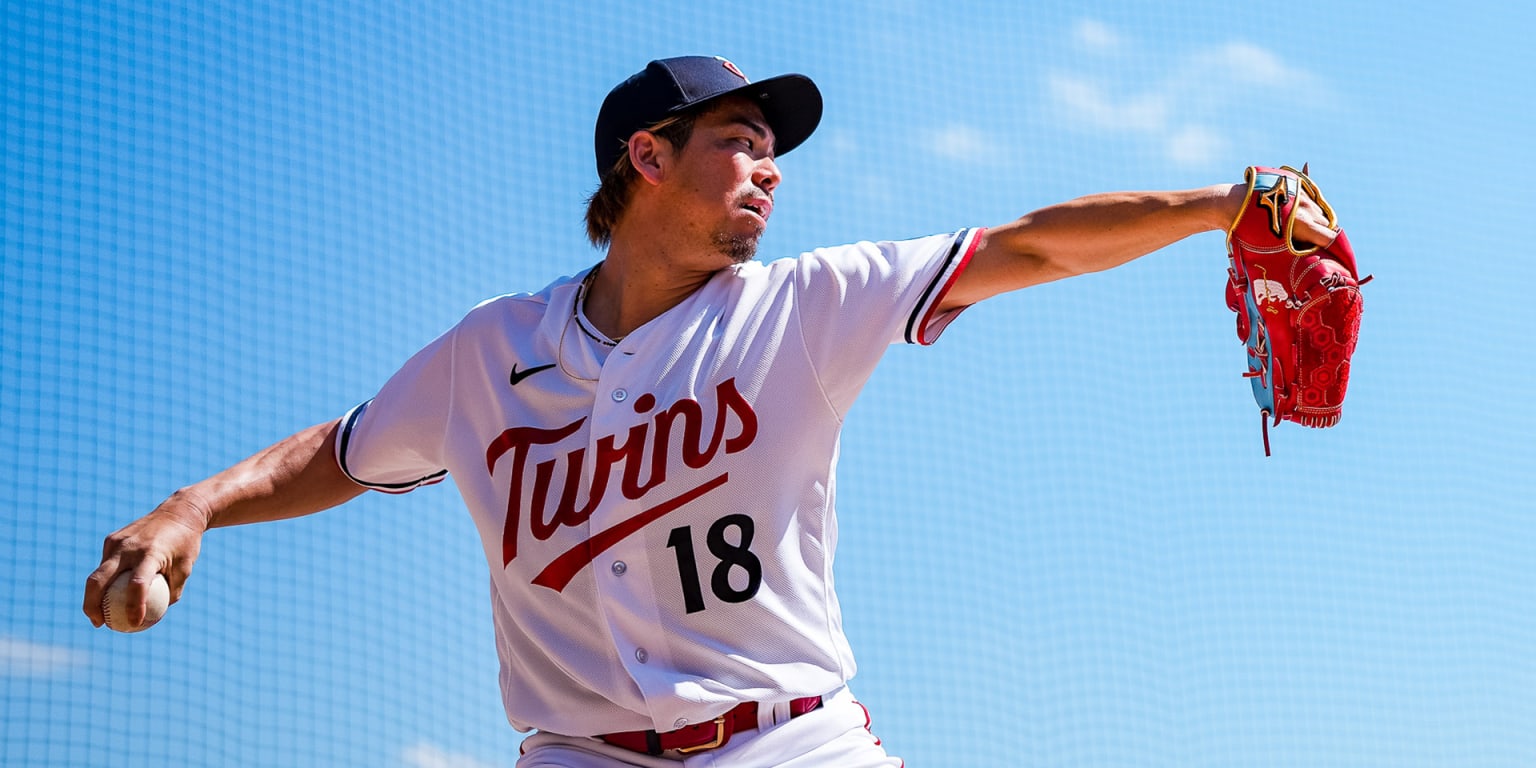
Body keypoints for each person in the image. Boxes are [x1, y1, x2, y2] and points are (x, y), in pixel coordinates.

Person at [84, 55, 1340, 767]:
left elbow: (1026, 247)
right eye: (741, 140)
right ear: (647, 158)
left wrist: (1208, 206)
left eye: (771, 148)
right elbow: (347, 452)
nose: (771, 168)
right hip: (579, 756)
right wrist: (194, 506)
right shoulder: (490, 351)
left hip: (789, 746)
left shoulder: (805, 305)